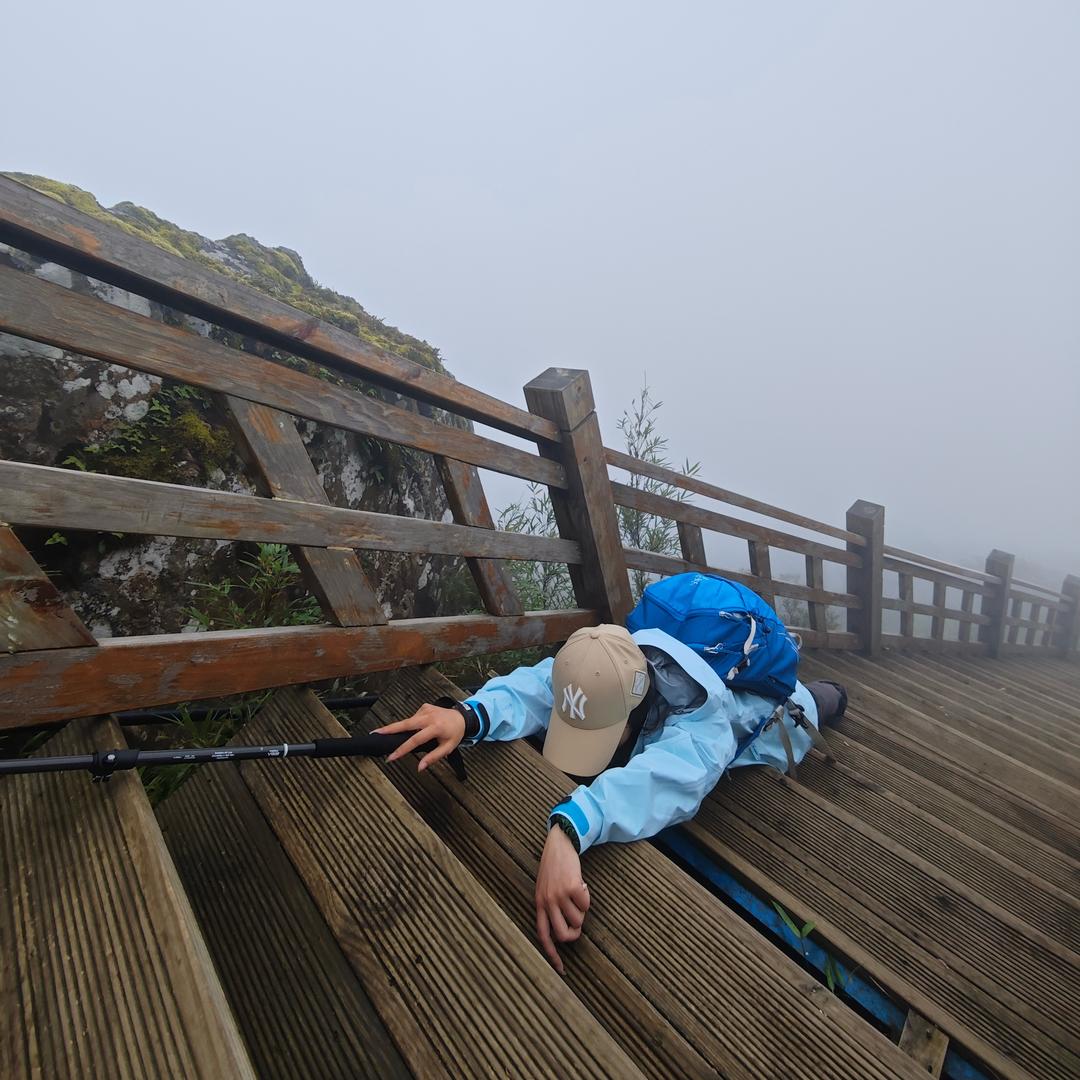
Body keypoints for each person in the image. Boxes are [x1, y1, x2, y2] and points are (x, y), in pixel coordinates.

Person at [374, 623, 847, 973]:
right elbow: (543, 685)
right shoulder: (611, 660)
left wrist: (569, 828)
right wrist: (468, 715)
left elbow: (666, 780)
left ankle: (837, 692)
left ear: (636, 708)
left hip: (774, 718)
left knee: (821, 702)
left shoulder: (703, 732)